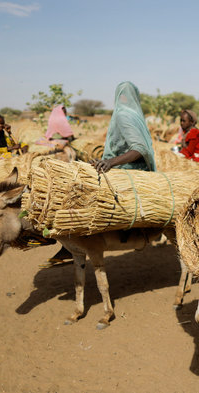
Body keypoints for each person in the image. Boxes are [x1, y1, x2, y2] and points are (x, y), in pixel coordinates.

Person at [43, 81, 156, 267]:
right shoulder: (135, 114)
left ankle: (74, 242)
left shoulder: (123, 115)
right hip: (136, 167)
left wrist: (111, 162)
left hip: (129, 169)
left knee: (80, 190)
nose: (122, 99)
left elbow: (140, 148)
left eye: (123, 95)